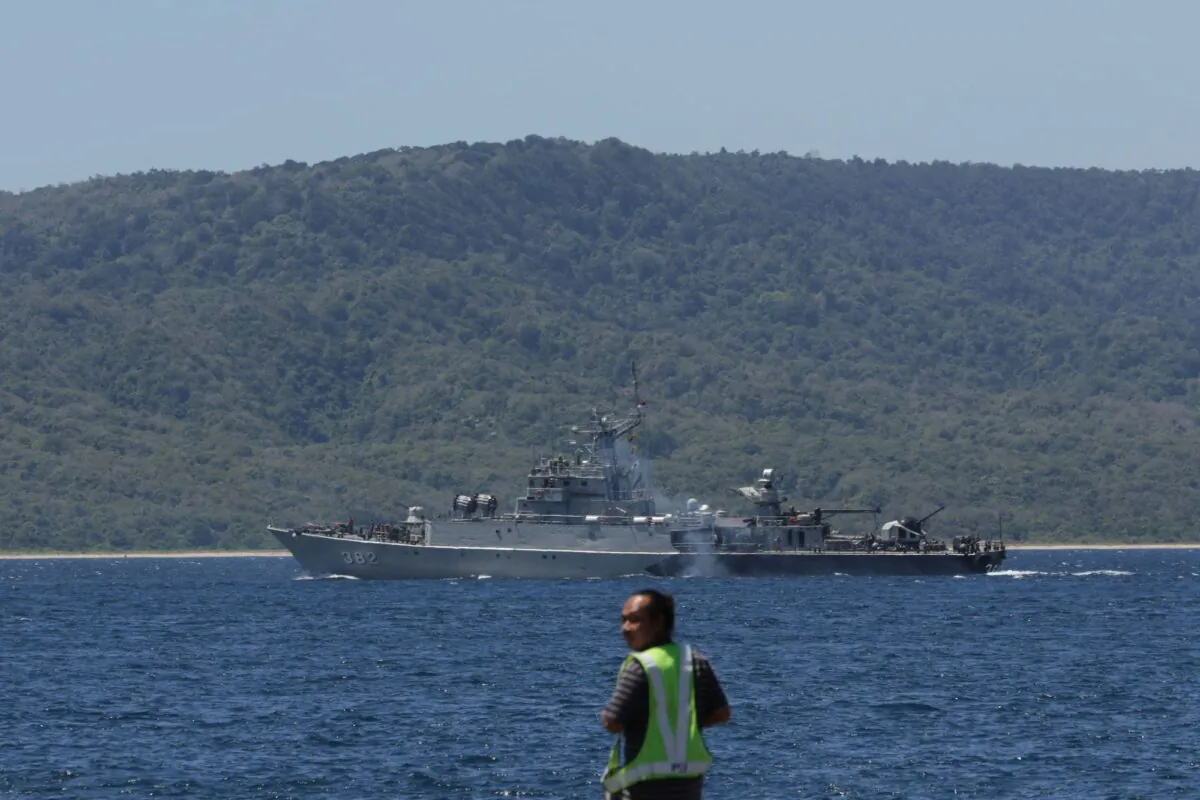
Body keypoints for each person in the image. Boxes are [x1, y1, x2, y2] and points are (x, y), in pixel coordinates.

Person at [600, 589, 731, 799]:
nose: (625, 628)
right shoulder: (696, 661)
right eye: (623, 620)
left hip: (642, 789)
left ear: (658, 622)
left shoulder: (640, 666)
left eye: (634, 620)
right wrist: (684, 722)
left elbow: (612, 722)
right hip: (688, 789)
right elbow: (722, 714)